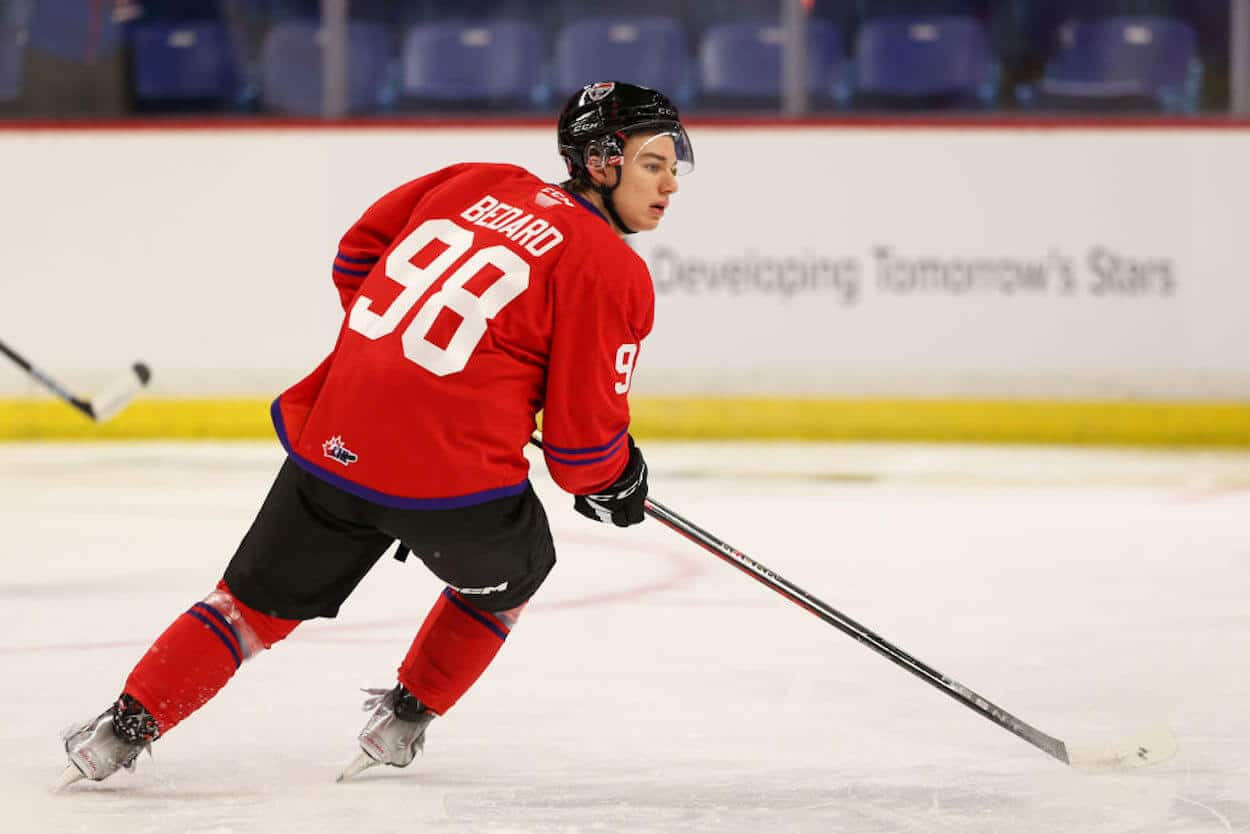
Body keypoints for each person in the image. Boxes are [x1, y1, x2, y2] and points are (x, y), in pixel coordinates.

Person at [58, 80, 694, 787]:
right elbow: (581, 453)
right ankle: (403, 721)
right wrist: (617, 481)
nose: (671, 182)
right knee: (517, 571)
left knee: (247, 609)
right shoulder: (611, 268)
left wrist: (401, 359)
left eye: (676, 165)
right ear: (601, 161)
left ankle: (119, 731)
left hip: (335, 438)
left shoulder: (474, 180)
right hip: (454, 482)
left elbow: (358, 258)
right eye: (653, 162)